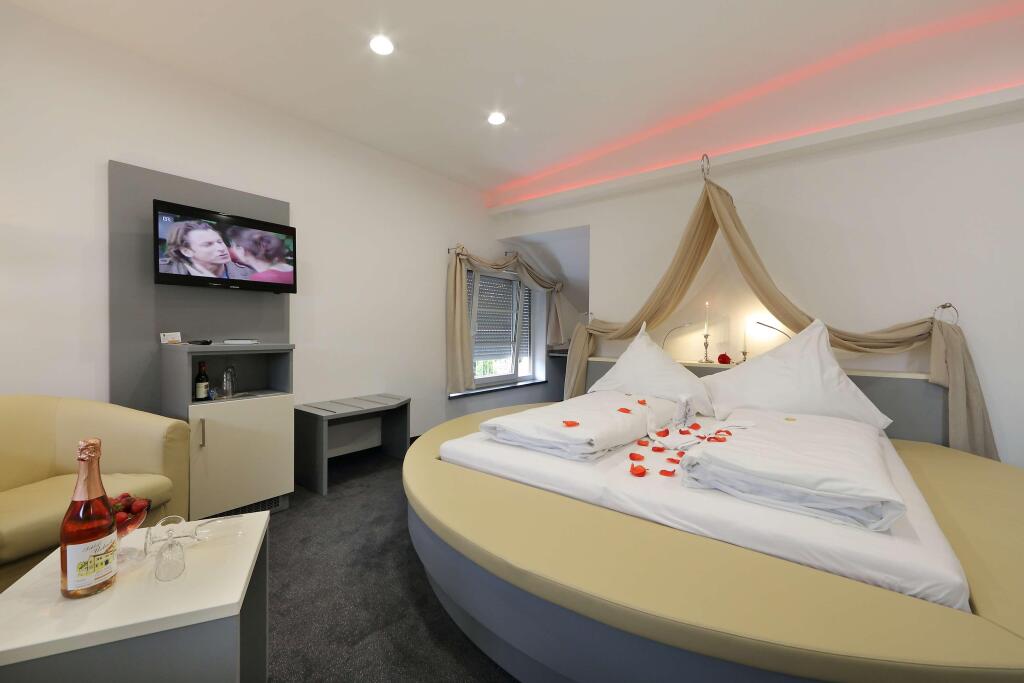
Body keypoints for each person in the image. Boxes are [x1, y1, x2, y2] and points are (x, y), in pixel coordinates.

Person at [159, 221, 254, 279]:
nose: (221, 248)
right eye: (208, 244)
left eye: (220, 242)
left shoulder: (248, 273)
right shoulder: (163, 269)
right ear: (186, 251)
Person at [227, 228, 295, 284]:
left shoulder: (260, 278)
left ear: (244, 250)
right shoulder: (290, 269)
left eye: (235, 246)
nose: (233, 250)